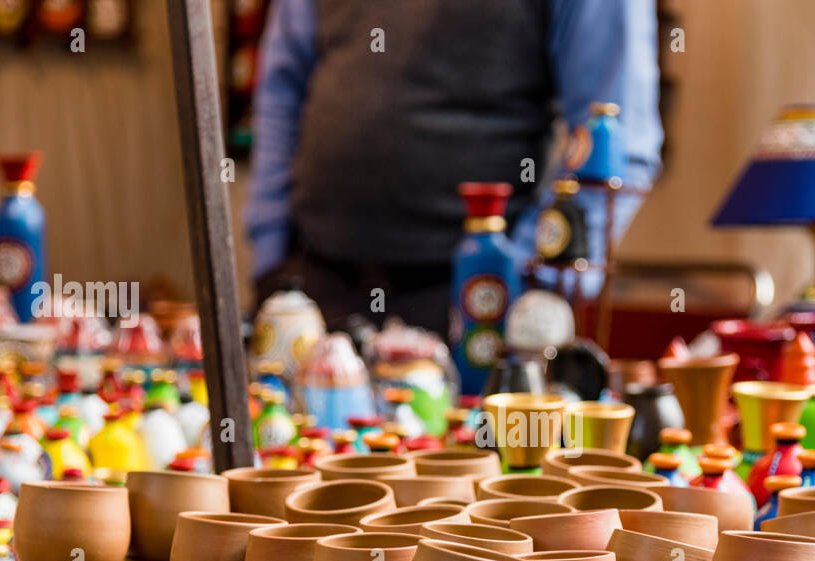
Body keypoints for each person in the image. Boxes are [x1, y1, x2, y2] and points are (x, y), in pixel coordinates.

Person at [245, 0, 664, 335]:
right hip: (311, 284)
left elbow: (618, 143)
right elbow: (283, 86)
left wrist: (518, 291)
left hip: (472, 308)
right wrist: (270, 256)